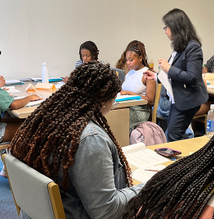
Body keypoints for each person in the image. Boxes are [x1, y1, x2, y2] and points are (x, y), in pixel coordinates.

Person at [10, 61, 144, 219]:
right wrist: (148, 186)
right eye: (113, 101)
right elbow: (106, 211)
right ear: (103, 102)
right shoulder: (91, 139)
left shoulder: (47, 120)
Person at [144, 8, 208, 142]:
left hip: (188, 99)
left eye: (167, 27)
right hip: (176, 99)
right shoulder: (181, 47)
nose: (165, 31)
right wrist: (155, 77)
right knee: (175, 135)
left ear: (176, 27)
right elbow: (172, 74)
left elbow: (192, 77)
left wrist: (169, 68)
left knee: (172, 136)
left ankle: (179, 162)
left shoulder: (193, 47)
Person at [120, 41, 156, 132]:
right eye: (127, 60)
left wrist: (129, 94)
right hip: (126, 106)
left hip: (140, 111)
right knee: (110, 115)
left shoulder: (147, 74)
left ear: (140, 58)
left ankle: (121, 145)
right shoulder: (129, 72)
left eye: (131, 60)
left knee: (119, 120)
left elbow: (150, 100)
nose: (128, 63)